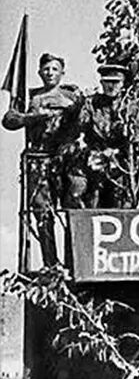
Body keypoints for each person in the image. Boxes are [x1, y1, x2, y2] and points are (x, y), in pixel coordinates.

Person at [2, 52, 82, 264]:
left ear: (62, 73)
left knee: (70, 210)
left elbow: (83, 121)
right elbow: (9, 119)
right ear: (39, 72)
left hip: (64, 161)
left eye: (54, 69)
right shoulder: (33, 98)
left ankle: (73, 261)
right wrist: (35, 117)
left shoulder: (72, 96)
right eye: (46, 69)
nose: (50, 73)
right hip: (38, 159)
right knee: (42, 213)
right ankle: (51, 263)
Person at [67, 62, 130, 209]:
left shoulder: (130, 106)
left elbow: (136, 138)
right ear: (101, 82)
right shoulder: (91, 103)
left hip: (122, 162)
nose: (111, 86)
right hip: (95, 158)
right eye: (107, 81)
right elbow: (80, 126)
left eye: (116, 82)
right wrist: (81, 105)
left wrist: (117, 151)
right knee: (92, 199)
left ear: (123, 83)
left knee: (120, 202)